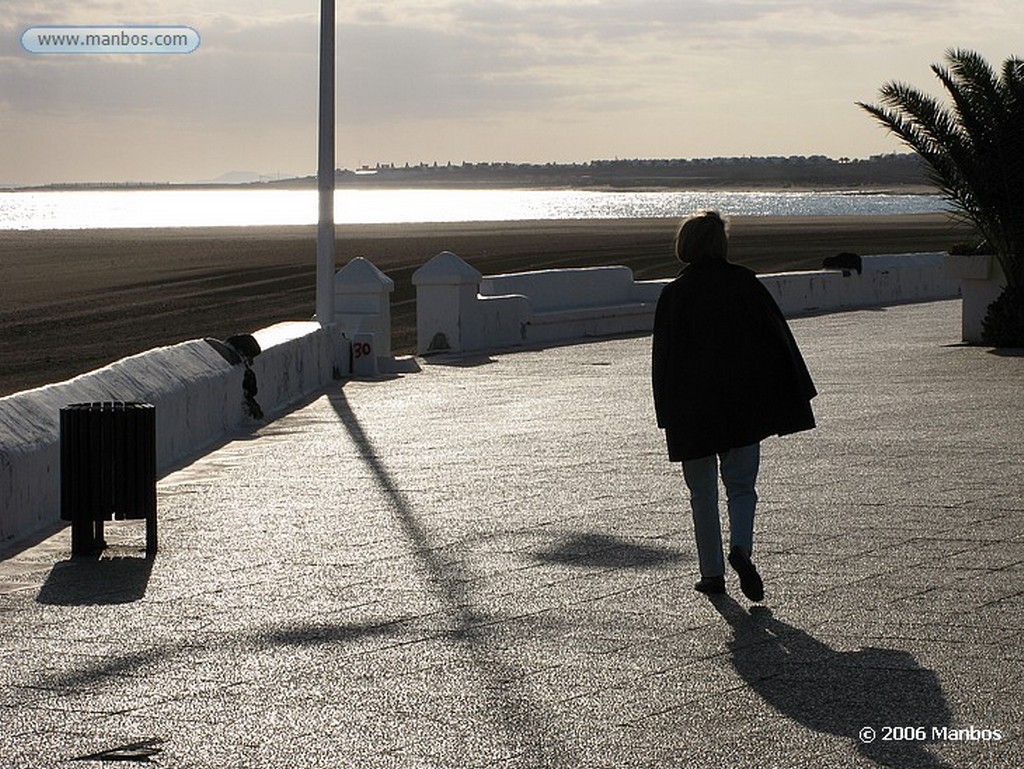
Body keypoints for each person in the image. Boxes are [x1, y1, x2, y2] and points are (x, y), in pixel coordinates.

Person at [651, 211, 817, 601]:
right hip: (742, 406)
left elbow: (664, 360)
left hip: (693, 410)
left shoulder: (675, 293)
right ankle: (740, 549)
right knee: (742, 487)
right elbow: (776, 344)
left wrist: (666, 413)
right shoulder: (745, 283)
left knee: (702, 494)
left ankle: (712, 574)